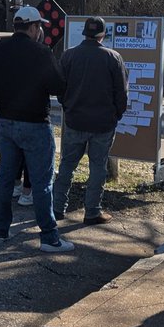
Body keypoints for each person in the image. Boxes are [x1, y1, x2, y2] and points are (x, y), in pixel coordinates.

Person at [0, 6, 72, 253]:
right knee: (42, 182)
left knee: (4, 178)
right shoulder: (41, 52)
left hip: (6, 121)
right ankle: (49, 238)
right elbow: (57, 85)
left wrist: (6, 100)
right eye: (39, 27)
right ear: (34, 27)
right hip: (35, 122)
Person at [53, 16, 129, 224]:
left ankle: (57, 208)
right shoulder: (113, 58)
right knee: (98, 167)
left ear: (85, 33)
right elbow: (121, 93)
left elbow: (60, 88)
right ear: (103, 34)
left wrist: (68, 106)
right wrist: (116, 115)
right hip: (103, 123)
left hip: (75, 119)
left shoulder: (69, 56)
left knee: (67, 165)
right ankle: (92, 211)